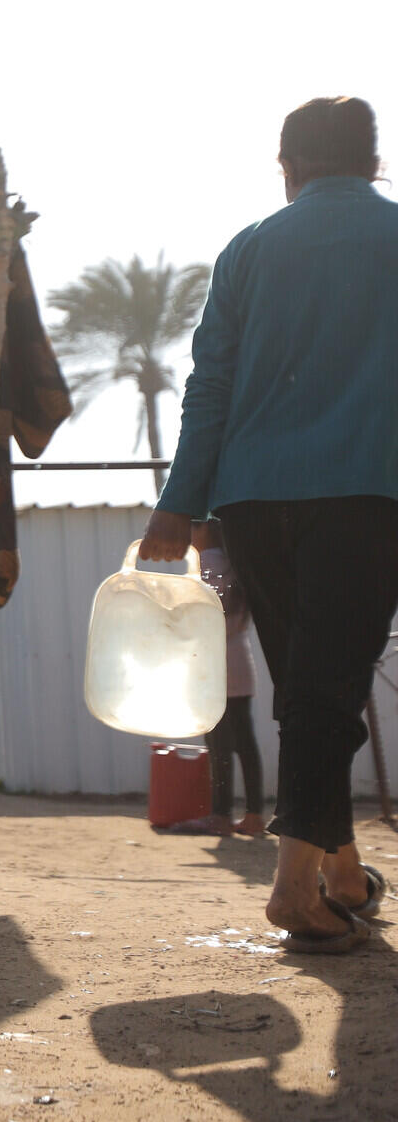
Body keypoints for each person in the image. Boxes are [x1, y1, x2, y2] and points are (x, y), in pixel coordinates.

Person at [140, 96, 398, 954]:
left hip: (252, 501)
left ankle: (343, 872)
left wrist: (180, 504)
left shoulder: (248, 250)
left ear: (288, 167)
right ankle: (293, 890)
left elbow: (208, 386)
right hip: (364, 491)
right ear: (372, 162)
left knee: (306, 688)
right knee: (327, 688)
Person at [170, 522, 265, 838]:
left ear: (202, 531)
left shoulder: (204, 567)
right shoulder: (236, 564)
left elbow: (198, 617)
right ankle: (254, 816)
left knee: (218, 742)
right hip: (238, 656)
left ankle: (221, 816)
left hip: (213, 663)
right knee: (244, 741)